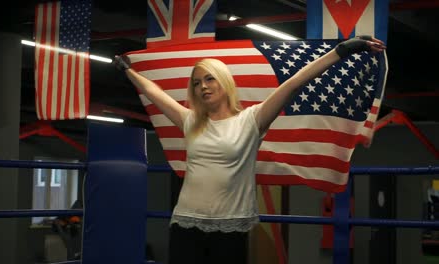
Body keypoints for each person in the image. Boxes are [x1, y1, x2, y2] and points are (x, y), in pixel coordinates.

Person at [113, 36, 386, 264]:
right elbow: (154, 91)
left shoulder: (251, 120)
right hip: (185, 224)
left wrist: (343, 49)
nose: (203, 87)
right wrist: (127, 71)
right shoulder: (189, 121)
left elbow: (294, 83)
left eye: (209, 79)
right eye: (196, 83)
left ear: (224, 82)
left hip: (231, 227)